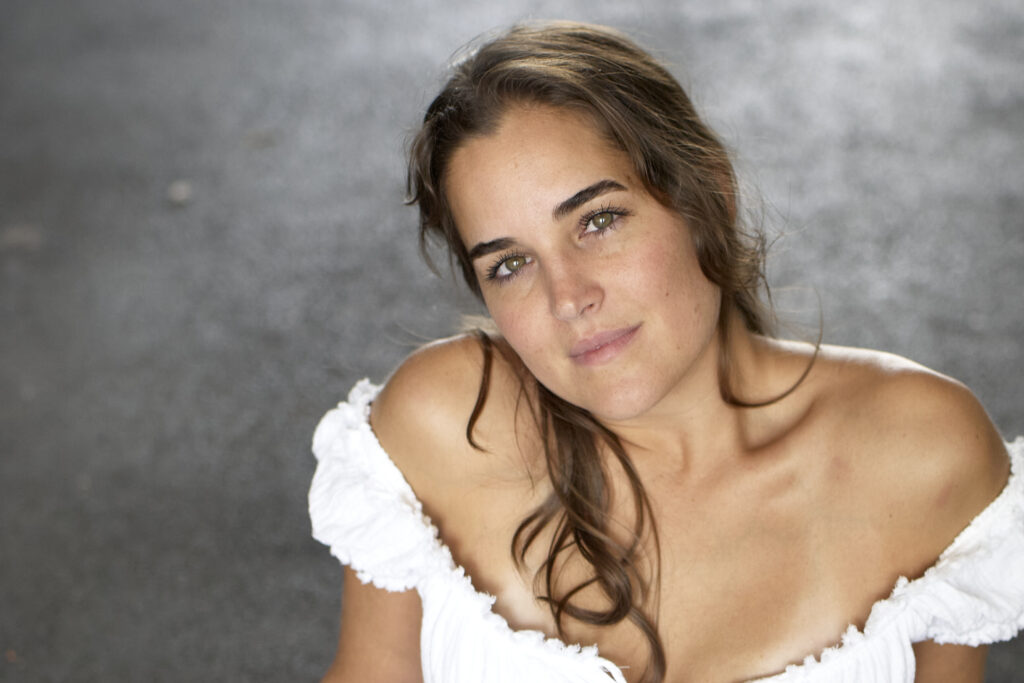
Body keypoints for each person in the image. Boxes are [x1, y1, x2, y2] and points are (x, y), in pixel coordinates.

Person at [309, 21, 1024, 683]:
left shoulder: (923, 455)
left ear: (707, 194)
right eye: (510, 264)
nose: (568, 297)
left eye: (598, 220)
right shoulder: (443, 429)